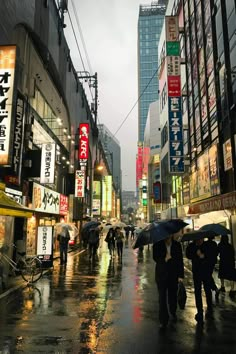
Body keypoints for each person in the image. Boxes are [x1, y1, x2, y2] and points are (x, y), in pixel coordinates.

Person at [153, 235, 184, 329]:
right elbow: (155, 258)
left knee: (172, 296)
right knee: (162, 298)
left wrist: (180, 275)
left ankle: (173, 311)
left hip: (173, 275)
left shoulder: (177, 245)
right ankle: (163, 320)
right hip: (161, 275)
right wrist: (164, 259)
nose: (168, 237)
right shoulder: (157, 245)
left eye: (169, 235)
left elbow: (180, 260)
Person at [186, 238, 214, 323]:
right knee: (197, 291)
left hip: (205, 271)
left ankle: (209, 306)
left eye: (201, 239)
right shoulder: (191, 246)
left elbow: (211, 256)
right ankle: (200, 311)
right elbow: (188, 255)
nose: (199, 241)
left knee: (207, 289)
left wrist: (203, 255)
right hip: (196, 271)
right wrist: (196, 253)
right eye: (198, 240)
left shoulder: (207, 246)